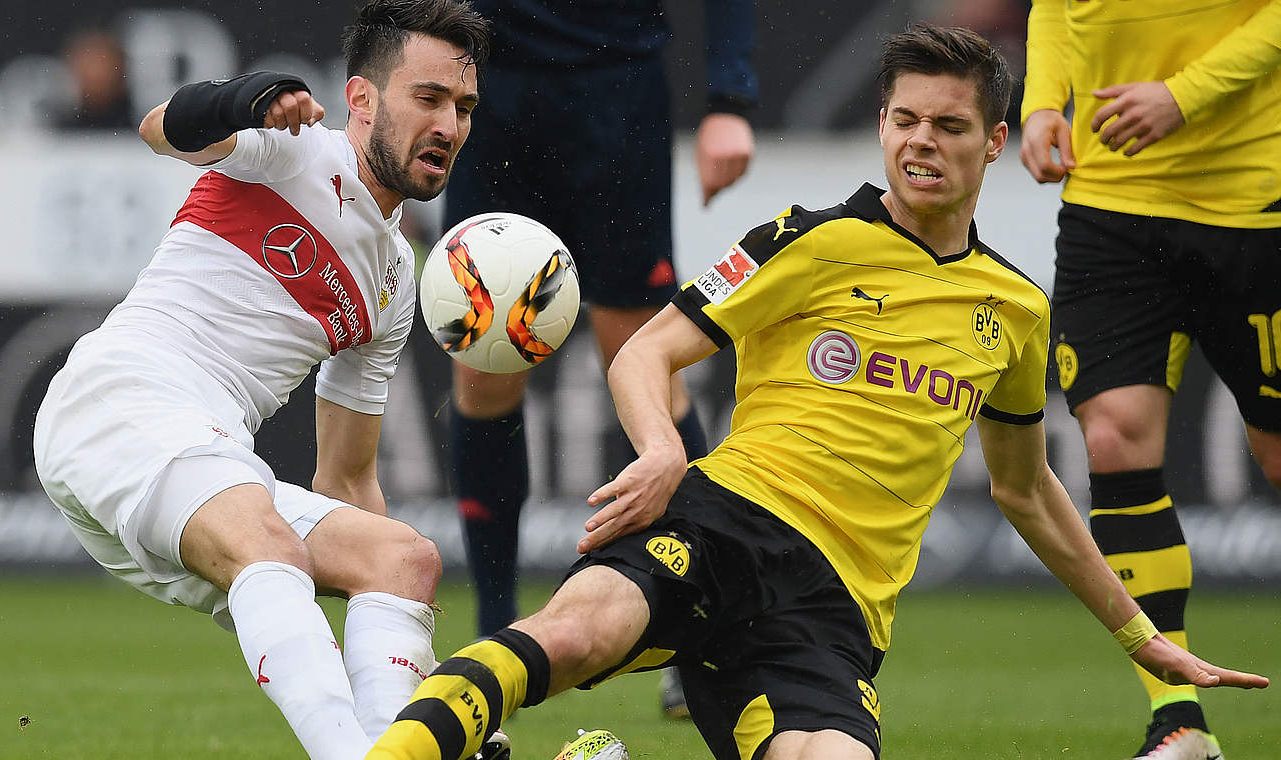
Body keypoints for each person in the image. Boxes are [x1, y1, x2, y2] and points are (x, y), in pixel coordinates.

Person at [359, 24, 1270, 760]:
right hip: (720, 523)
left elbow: (1027, 489)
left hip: (834, 612)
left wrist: (1136, 632)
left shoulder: (1015, 308)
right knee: (575, 634)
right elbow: (644, 350)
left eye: (949, 127)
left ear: (994, 141)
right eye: (905, 119)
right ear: (882, 124)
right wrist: (665, 452)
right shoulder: (808, 239)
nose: (921, 142)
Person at [32, 3, 494, 759]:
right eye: (429, 98)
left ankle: (396, 743)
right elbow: (159, 127)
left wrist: (415, 671)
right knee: (267, 543)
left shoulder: (394, 283)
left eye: (464, 107)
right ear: (363, 99)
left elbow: (347, 481)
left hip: (199, 462)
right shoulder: (295, 153)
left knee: (402, 559)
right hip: (121, 396)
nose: (449, 125)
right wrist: (251, 96)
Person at [438, 0, 757, 718]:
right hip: (490, 98)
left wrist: (728, 97)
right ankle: (494, 631)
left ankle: (694, 629)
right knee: (486, 367)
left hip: (614, 92)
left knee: (642, 360)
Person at [1019, 1, 1281, 757]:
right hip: (1112, 206)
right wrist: (1043, 104)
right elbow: (1055, 8)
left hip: (1252, 206)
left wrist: (1183, 93)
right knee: (1110, 438)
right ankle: (1178, 718)